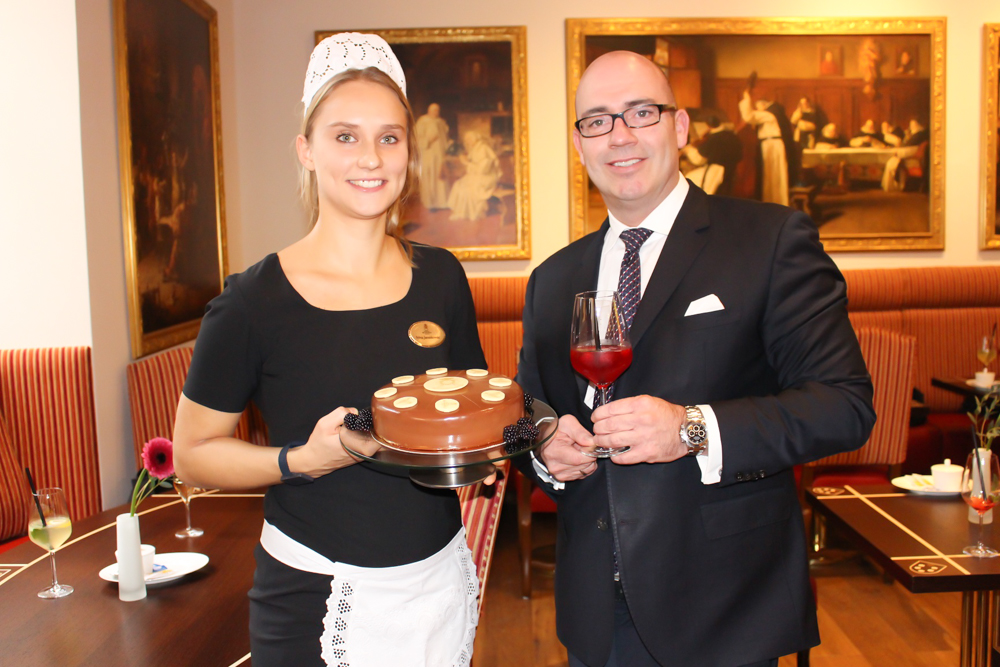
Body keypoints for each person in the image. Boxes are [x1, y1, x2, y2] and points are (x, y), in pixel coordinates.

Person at [515, 50, 875, 667]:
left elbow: (843, 405)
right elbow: (529, 413)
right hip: (595, 611)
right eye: (597, 120)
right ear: (579, 147)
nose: (619, 135)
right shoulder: (552, 279)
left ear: (679, 129)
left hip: (723, 608)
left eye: (641, 112)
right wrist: (543, 447)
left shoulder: (770, 241)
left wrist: (690, 427)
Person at [172, 33, 488, 667]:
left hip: (438, 582)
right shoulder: (252, 303)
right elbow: (191, 457)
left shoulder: (442, 277)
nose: (370, 157)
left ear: (409, 152)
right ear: (307, 151)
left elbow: (469, 409)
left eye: (389, 136)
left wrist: (510, 441)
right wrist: (302, 460)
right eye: (345, 136)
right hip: (316, 594)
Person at [738, 89, 792, 205]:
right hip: (771, 144)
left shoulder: (769, 114)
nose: (757, 110)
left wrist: (746, 98)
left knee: (773, 175)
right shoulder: (774, 113)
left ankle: (776, 202)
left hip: (771, 145)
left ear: (763, 105)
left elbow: (749, 116)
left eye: (758, 107)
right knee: (771, 175)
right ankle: (772, 201)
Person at [681, 115, 743, 196]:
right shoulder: (733, 136)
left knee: (690, 178)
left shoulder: (713, 138)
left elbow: (699, 160)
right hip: (731, 172)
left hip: (716, 171)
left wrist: (688, 150)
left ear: (708, 125)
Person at [447, 130, 501, 221]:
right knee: (459, 184)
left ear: (474, 139)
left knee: (469, 189)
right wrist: (466, 160)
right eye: (466, 140)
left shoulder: (483, 148)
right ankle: (461, 213)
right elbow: (473, 162)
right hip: (477, 174)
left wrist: (467, 163)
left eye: (468, 140)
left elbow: (484, 169)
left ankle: (474, 213)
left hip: (487, 176)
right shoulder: (476, 148)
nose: (467, 142)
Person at [415, 102, 450, 209]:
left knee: (440, 177)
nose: (436, 112)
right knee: (430, 177)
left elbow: (445, 137)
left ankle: (442, 203)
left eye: (437, 110)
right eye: (434, 110)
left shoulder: (441, 122)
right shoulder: (422, 121)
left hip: (439, 154)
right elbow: (417, 139)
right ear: (429, 110)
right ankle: (430, 204)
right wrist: (429, 140)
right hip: (428, 155)